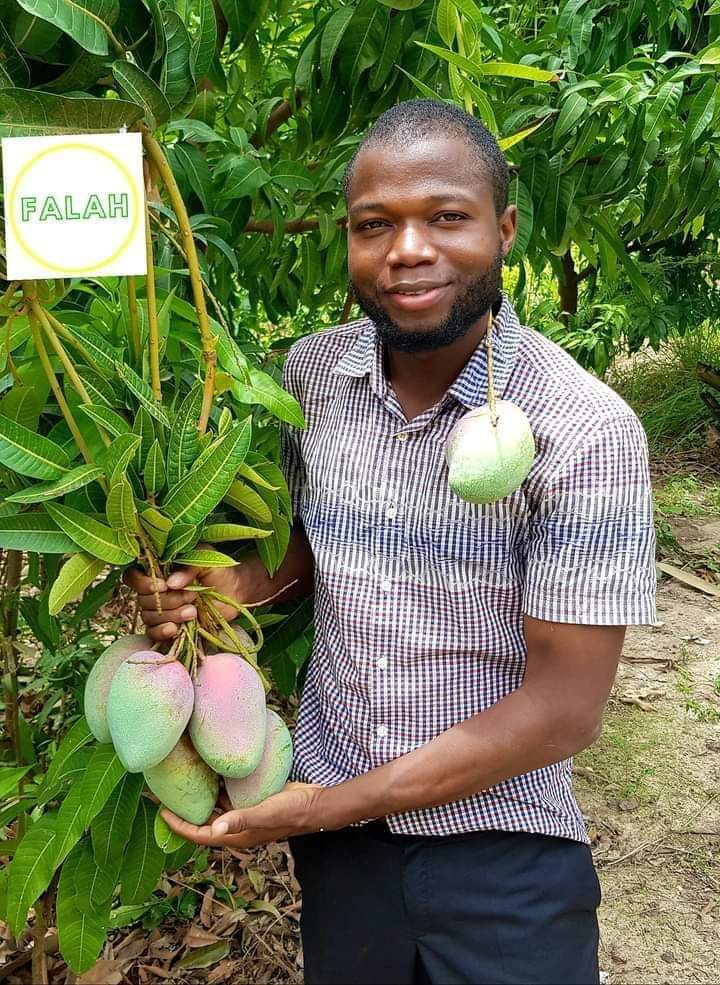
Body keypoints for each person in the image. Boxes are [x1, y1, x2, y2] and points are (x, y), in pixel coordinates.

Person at [125, 99, 657, 985]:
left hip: (502, 848)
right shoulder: (314, 375)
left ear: (506, 229)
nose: (408, 249)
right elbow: (306, 553)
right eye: (376, 225)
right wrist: (219, 592)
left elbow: (566, 707)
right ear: (348, 239)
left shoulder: (583, 430)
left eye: (447, 216)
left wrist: (325, 806)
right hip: (344, 850)